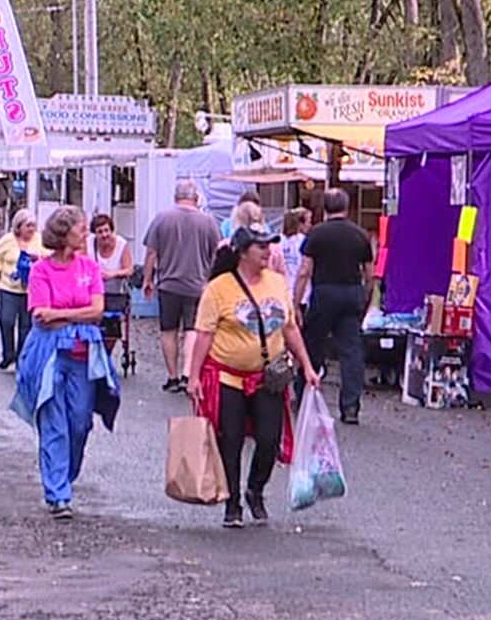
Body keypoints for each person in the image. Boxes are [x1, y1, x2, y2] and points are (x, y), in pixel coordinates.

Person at [189, 226, 320, 527]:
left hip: (268, 375)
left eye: (269, 245)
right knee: (230, 439)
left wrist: (307, 366)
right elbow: (204, 335)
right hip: (227, 376)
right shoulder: (218, 289)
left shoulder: (276, 282)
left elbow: (289, 328)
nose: (268, 252)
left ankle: (255, 490)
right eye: (261, 246)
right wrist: (193, 376)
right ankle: (232, 503)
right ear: (243, 251)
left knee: (268, 438)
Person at [15, 206, 120, 520]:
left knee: (80, 424)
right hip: (48, 356)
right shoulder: (40, 271)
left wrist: (61, 314)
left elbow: (97, 311)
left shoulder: (89, 267)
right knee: (54, 425)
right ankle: (58, 493)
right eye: (81, 228)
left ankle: (65, 476)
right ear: (64, 233)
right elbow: (39, 317)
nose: (85, 233)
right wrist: (76, 315)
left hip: (83, 357)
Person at [294, 187, 373, 426]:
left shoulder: (317, 234)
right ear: (346, 207)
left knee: (313, 344)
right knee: (351, 350)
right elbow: (369, 274)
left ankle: (303, 395)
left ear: (324, 208)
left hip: (324, 291)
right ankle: (350, 406)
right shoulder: (360, 235)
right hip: (351, 292)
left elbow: (305, 271)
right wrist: (365, 299)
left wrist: (295, 303)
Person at [142, 179, 223, 394]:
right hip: (199, 286)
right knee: (192, 330)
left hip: (168, 284)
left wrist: (147, 280)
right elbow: (218, 253)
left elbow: (151, 252)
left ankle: (172, 376)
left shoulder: (162, 219)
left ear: (176, 197)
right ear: (196, 198)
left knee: (168, 330)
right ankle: (188, 374)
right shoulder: (208, 221)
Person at [0, 210, 48, 370]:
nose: (31, 229)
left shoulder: (39, 240)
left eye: (33, 226)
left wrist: (38, 259)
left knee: (26, 325)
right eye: (28, 225)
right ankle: (8, 354)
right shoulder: (7, 241)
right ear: (18, 226)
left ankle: (22, 358)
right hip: (9, 287)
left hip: (31, 290)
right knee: (6, 320)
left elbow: (49, 259)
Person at [210, 196, 283, 281]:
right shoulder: (275, 248)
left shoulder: (226, 247)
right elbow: (283, 279)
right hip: (269, 291)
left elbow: (215, 279)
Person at [91, 212, 133, 357]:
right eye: (100, 232)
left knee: (112, 327)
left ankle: (105, 355)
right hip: (93, 292)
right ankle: (95, 354)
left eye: (107, 230)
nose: (104, 235)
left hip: (114, 293)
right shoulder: (89, 244)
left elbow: (129, 269)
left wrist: (112, 274)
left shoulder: (121, 244)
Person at [279, 206, 313, 305]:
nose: (310, 225)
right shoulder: (304, 241)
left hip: (282, 290)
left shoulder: (278, 240)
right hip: (301, 293)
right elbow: (305, 271)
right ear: (300, 224)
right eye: (308, 222)